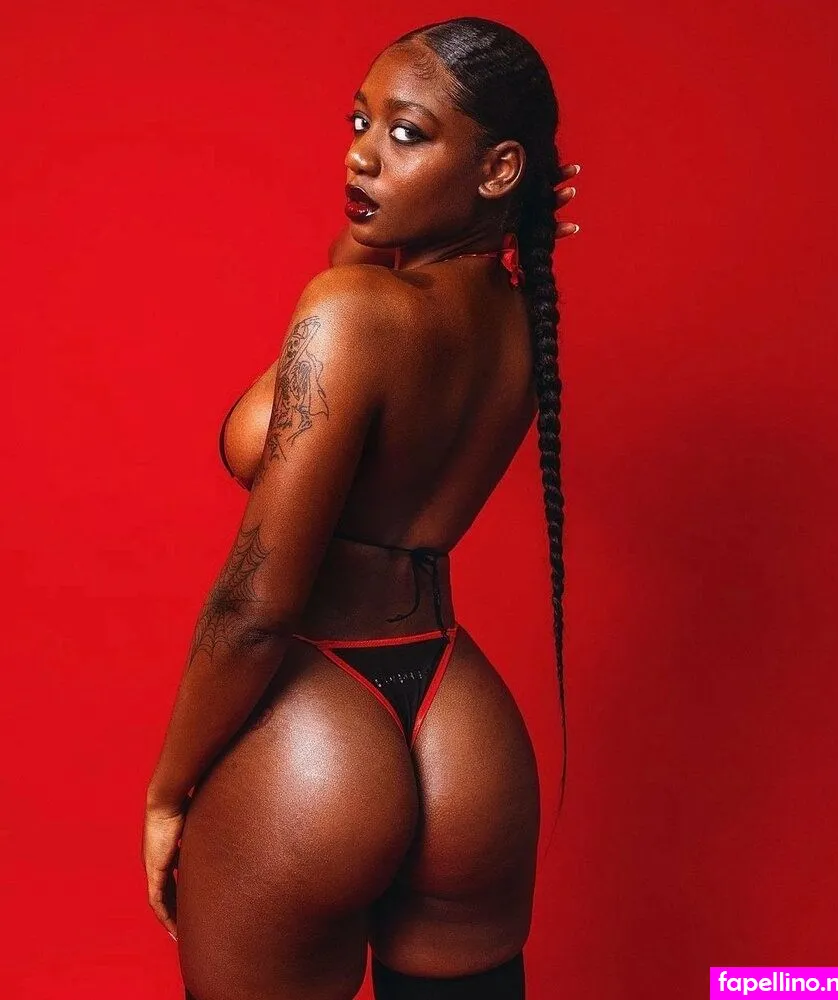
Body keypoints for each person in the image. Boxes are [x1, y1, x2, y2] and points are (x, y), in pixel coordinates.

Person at [142, 16, 579, 1000]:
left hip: (319, 720)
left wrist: (170, 789)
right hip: (462, 725)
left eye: (406, 132)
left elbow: (255, 604)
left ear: (499, 167)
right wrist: (483, 207)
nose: (361, 152)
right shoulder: (520, 322)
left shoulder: (348, 315)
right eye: (359, 122)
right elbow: (361, 291)